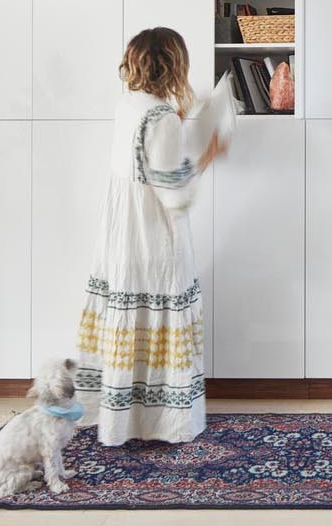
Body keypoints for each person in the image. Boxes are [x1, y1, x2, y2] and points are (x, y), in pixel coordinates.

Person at [74, 28, 223, 446]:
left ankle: (123, 418)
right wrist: (209, 154)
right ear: (176, 65)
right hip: (153, 235)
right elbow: (174, 193)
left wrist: (183, 116)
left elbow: (143, 163)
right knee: (161, 312)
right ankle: (164, 422)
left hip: (120, 236)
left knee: (128, 315)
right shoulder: (163, 119)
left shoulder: (128, 106)